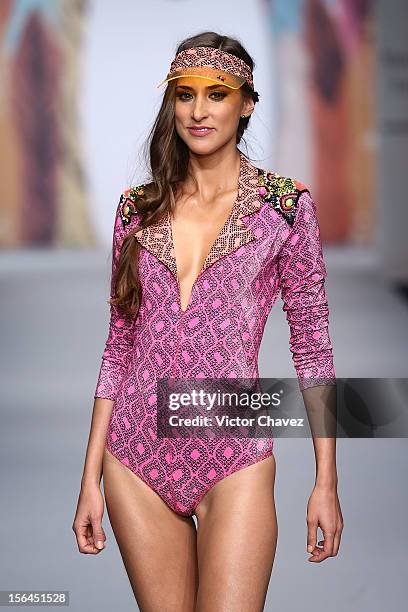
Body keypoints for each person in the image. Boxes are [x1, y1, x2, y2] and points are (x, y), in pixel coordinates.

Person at [72, 31, 343, 612]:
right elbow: (119, 345)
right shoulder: (136, 210)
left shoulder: (285, 208)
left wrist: (326, 480)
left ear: (246, 103)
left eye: (216, 94)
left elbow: (313, 347)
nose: (198, 111)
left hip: (234, 456)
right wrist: (89, 476)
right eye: (185, 94)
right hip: (135, 458)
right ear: (171, 103)